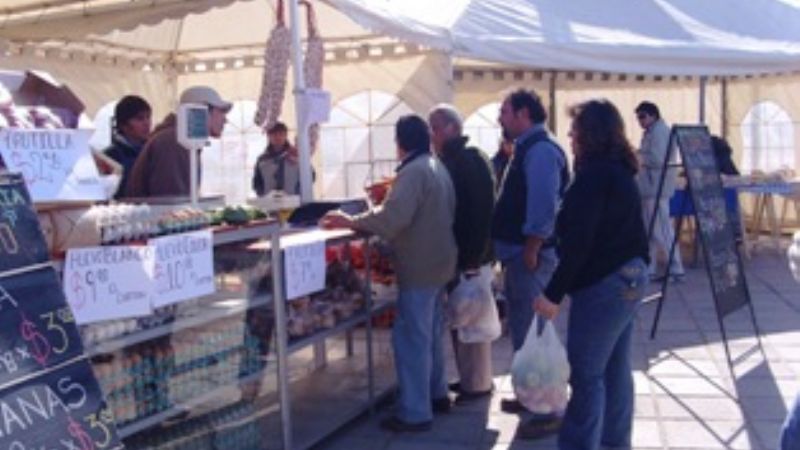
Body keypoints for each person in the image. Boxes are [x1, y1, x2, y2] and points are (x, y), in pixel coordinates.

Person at [320, 114, 457, 432]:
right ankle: (437, 395)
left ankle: (415, 412)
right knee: (431, 335)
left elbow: (393, 218)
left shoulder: (413, 172)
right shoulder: (437, 167)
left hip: (420, 267)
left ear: (400, 143)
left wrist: (351, 221)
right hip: (441, 263)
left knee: (412, 340)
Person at [532, 99, 649, 449]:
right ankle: (615, 443)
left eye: (576, 128)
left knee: (586, 375)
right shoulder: (617, 170)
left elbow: (580, 242)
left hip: (606, 282)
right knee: (614, 370)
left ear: (591, 134)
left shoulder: (595, 175)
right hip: (629, 275)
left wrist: (553, 294)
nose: (570, 134)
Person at [492, 88, 569, 433]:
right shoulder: (527, 148)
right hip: (520, 254)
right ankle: (529, 396)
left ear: (524, 114)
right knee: (524, 332)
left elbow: (543, 206)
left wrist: (532, 247)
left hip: (531, 256)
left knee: (536, 334)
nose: (500, 118)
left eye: (505, 112)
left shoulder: (540, 151)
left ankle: (546, 410)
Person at [428, 104, 496, 401]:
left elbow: (481, 212)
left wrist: (472, 257)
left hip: (472, 256)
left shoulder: (469, 160)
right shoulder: (450, 160)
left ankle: (478, 384)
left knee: (474, 320)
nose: (432, 134)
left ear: (452, 129)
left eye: (436, 128)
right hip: (462, 254)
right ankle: (470, 380)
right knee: (463, 317)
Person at [125, 86, 231, 198]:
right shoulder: (174, 142)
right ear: (202, 111)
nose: (225, 120)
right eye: (222, 111)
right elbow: (173, 205)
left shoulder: (178, 139)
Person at [635, 101, 684, 281]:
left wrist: (638, 156)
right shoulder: (651, 132)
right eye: (638, 117)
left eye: (642, 116)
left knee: (662, 230)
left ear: (653, 115)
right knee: (650, 231)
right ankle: (650, 267)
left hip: (657, 187)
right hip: (649, 187)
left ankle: (676, 268)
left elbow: (658, 158)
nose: (640, 121)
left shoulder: (660, 132)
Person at [103, 95, 152, 199]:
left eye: (148, 117)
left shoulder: (153, 152)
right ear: (123, 124)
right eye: (140, 118)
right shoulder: (110, 157)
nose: (146, 123)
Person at [252, 121, 302, 196]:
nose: (278, 137)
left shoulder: (296, 155)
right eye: (274, 134)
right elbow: (257, 182)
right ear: (268, 136)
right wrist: (263, 195)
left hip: (293, 201)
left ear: (286, 136)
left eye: (281, 134)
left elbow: (311, 177)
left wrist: (297, 192)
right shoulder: (262, 159)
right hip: (269, 203)